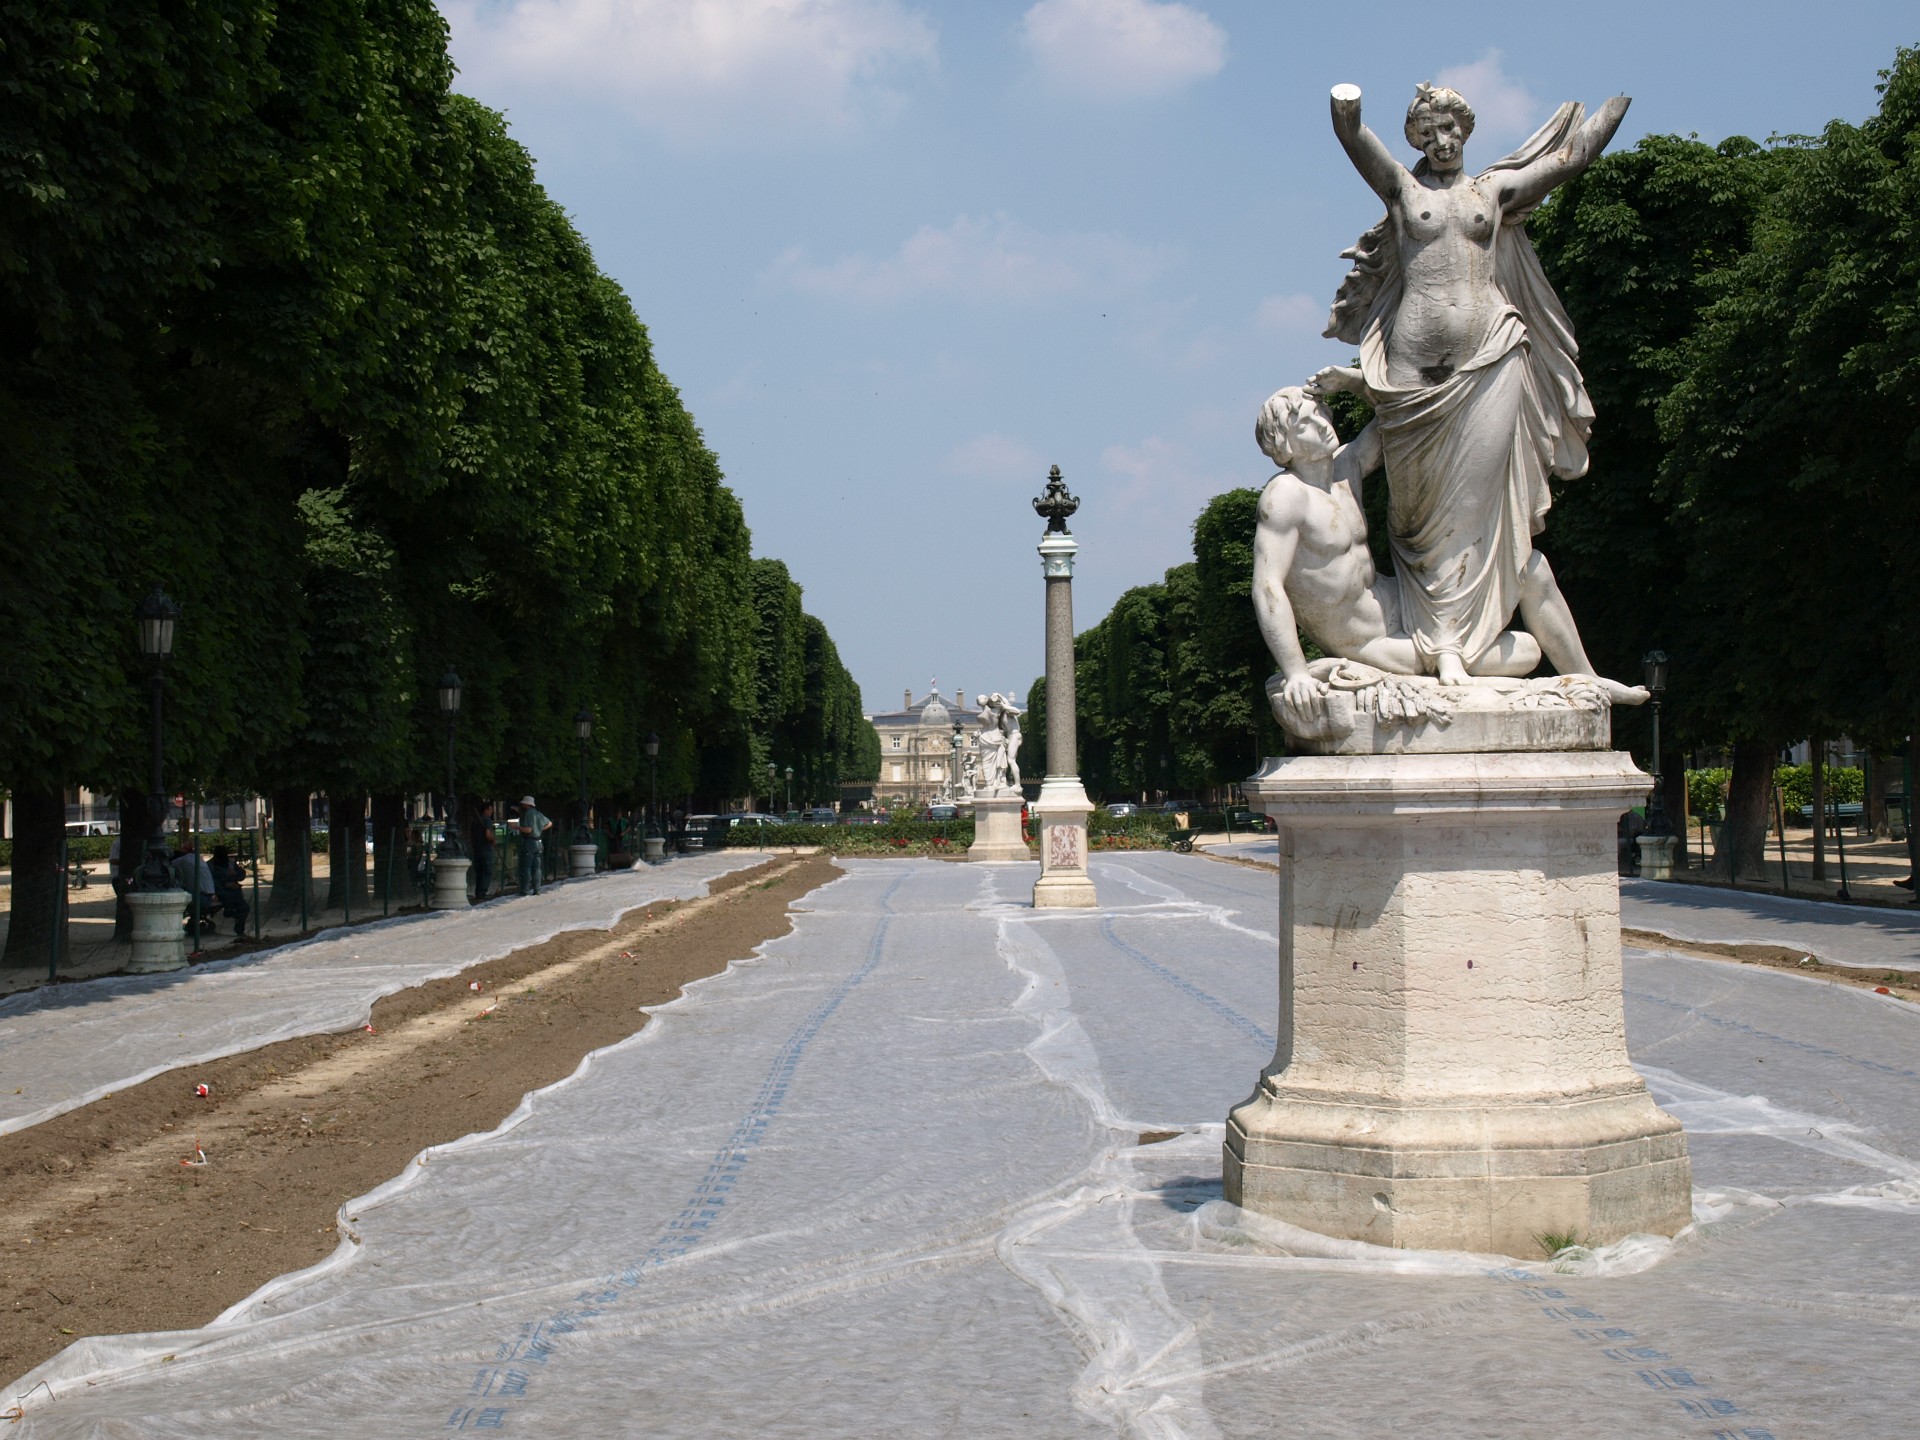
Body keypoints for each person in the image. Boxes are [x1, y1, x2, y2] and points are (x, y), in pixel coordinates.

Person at [1325, 81, 1630, 685]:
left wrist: (1613, 109)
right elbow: (1353, 137)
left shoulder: (1493, 191)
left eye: (1450, 130)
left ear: (1466, 130)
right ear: (1416, 137)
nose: (1441, 141)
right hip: (1410, 381)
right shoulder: (1403, 190)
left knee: (1478, 507)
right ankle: (1435, 640)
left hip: (1493, 358)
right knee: (1414, 519)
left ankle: (1453, 646)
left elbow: (1570, 160)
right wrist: (1347, 108)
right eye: (1428, 132)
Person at [170, 844, 218, 933]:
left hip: (201, 897)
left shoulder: (183, 860)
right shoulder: (197, 859)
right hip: (209, 895)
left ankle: (173, 924)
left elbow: (169, 868)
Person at [208, 845, 250, 936]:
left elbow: (241, 875)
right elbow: (211, 880)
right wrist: (225, 884)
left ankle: (239, 930)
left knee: (244, 908)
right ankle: (230, 910)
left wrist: (235, 874)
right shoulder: (211, 865)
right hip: (221, 891)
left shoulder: (230, 863)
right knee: (234, 906)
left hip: (235, 891)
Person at [516, 795, 552, 895]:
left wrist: (517, 827)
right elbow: (549, 823)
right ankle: (537, 889)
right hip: (538, 841)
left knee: (527, 867)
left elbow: (528, 830)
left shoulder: (528, 814)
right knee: (537, 867)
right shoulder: (538, 813)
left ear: (527, 804)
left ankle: (525, 890)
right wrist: (541, 829)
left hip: (529, 841)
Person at [468, 800, 497, 900]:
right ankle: (482, 892)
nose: (492, 812)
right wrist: (493, 840)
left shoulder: (475, 820)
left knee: (479, 871)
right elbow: (488, 834)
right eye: (490, 810)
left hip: (477, 848)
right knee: (486, 871)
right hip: (486, 848)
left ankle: (478, 892)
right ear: (486, 810)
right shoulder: (487, 820)